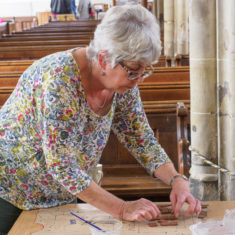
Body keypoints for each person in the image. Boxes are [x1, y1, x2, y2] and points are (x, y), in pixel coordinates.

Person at [0, 5, 201, 234]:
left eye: (145, 71)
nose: (140, 80)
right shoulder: (59, 80)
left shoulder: (122, 84)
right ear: (104, 59)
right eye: (135, 71)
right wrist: (123, 208)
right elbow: (62, 166)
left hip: (63, 191)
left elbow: (140, 138)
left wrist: (176, 180)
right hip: (10, 188)